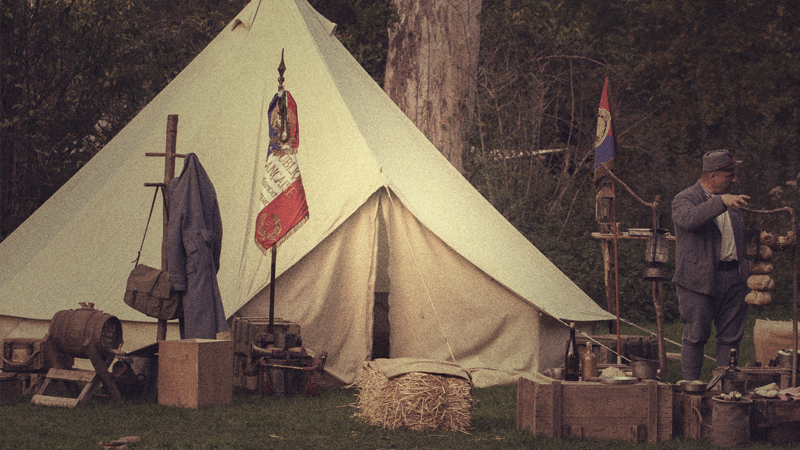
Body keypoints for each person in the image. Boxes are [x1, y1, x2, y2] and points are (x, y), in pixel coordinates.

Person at [671, 149, 751, 380]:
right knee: (695, 337)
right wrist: (720, 202)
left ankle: (725, 390)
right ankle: (692, 390)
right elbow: (688, 220)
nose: (734, 179)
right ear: (713, 175)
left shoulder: (730, 200)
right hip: (698, 281)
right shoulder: (684, 198)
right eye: (730, 174)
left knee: (731, 338)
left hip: (734, 279)